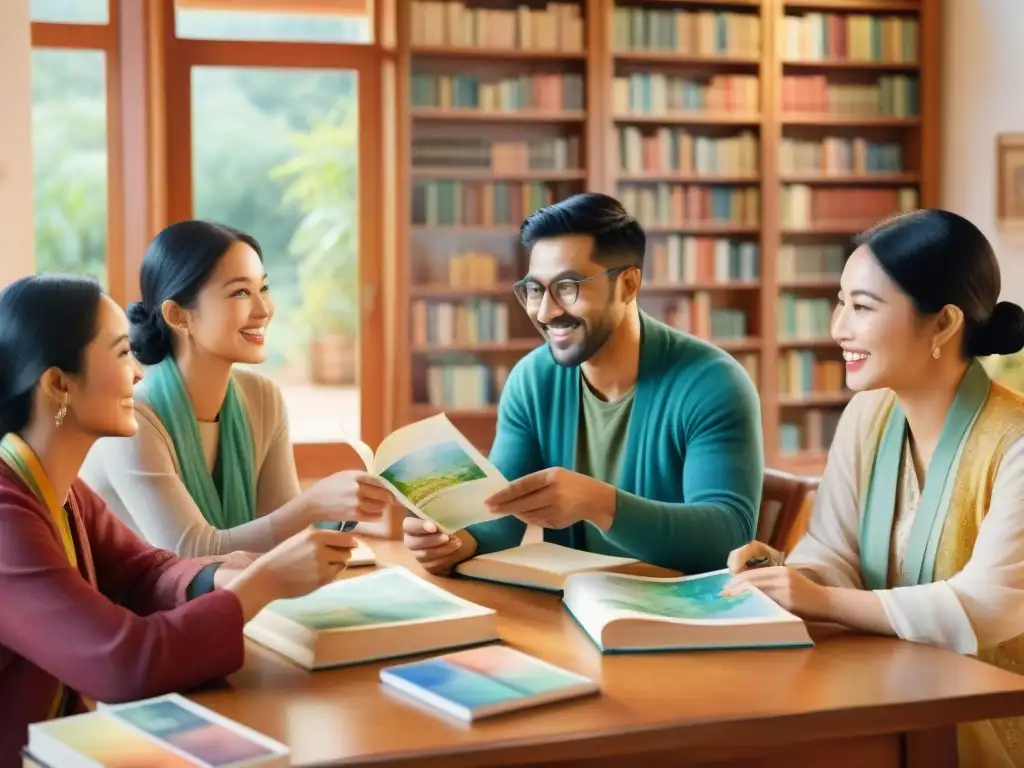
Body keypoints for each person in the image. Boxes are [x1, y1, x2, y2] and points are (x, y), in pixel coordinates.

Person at [0, 274, 359, 763]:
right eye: (122, 354)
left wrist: (224, 576)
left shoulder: (58, 490)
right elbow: (121, 662)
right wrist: (263, 584)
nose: (139, 374)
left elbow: (143, 570)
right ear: (59, 384)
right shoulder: (6, 516)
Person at [723, 209, 1024, 767]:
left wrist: (823, 600)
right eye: (841, 302)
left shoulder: (1016, 445)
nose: (839, 327)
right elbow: (833, 550)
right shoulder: (869, 414)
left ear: (943, 324)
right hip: (885, 690)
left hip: (983, 721)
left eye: (862, 307)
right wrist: (792, 576)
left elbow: (988, 607)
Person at [404, 192, 764, 575]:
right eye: (535, 289)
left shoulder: (712, 383)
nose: (545, 312)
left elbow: (728, 538)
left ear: (627, 285)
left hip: (681, 616)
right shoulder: (532, 380)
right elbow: (500, 520)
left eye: (567, 287)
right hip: (575, 611)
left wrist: (600, 503)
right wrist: (453, 541)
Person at [81, 220, 393, 556]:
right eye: (240, 292)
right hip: (140, 606)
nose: (264, 310)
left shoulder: (262, 398)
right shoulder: (130, 417)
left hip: (236, 597)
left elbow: (282, 532)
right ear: (178, 315)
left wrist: (342, 511)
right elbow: (192, 552)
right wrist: (314, 504)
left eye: (264, 288)